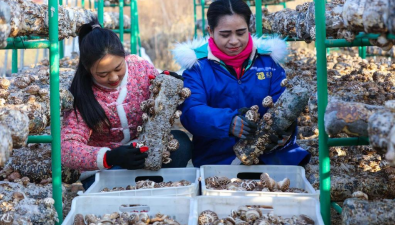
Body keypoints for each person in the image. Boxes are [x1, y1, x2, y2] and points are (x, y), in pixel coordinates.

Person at [172, 0, 310, 167]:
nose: (234, 41)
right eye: (225, 34)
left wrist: (284, 131)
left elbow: (283, 102)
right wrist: (228, 122)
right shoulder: (198, 67)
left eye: (240, 32)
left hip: (269, 156)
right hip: (216, 158)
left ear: (249, 29)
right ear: (211, 31)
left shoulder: (268, 62)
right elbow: (191, 111)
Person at [61, 18, 192, 190]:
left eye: (118, 68)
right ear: (88, 70)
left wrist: (170, 84)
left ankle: (156, 188)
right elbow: (68, 148)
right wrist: (110, 157)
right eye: (103, 74)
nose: (114, 78)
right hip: (108, 168)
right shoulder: (82, 94)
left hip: (143, 152)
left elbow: (160, 91)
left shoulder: (140, 68)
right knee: (109, 186)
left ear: (124, 57)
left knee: (181, 143)